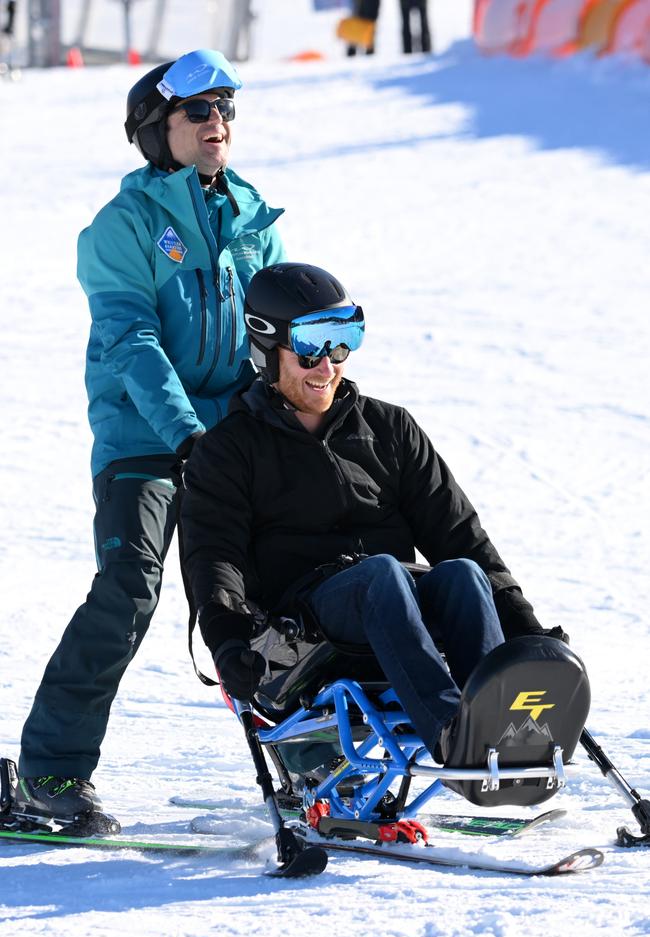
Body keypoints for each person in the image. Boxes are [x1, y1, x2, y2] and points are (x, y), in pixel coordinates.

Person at [16, 50, 286, 823]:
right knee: (130, 584)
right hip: (144, 437)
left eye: (225, 109)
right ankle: (52, 773)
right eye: (198, 111)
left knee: (284, 574)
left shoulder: (249, 211)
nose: (217, 124)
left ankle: (316, 758)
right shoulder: (123, 226)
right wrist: (189, 437)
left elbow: (268, 339)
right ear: (155, 130)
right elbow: (132, 339)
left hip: (226, 438)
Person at [181, 263, 567, 763]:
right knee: (379, 574)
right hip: (299, 632)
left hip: (393, 604)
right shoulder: (229, 451)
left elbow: (459, 535)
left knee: (463, 576)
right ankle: (455, 732)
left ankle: (509, 723)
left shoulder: (390, 428)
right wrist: (229, 640)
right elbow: (214, 557)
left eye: (341, 341)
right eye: (310, 347)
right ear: (266, 349)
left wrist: (524, 625)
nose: (327, 366)